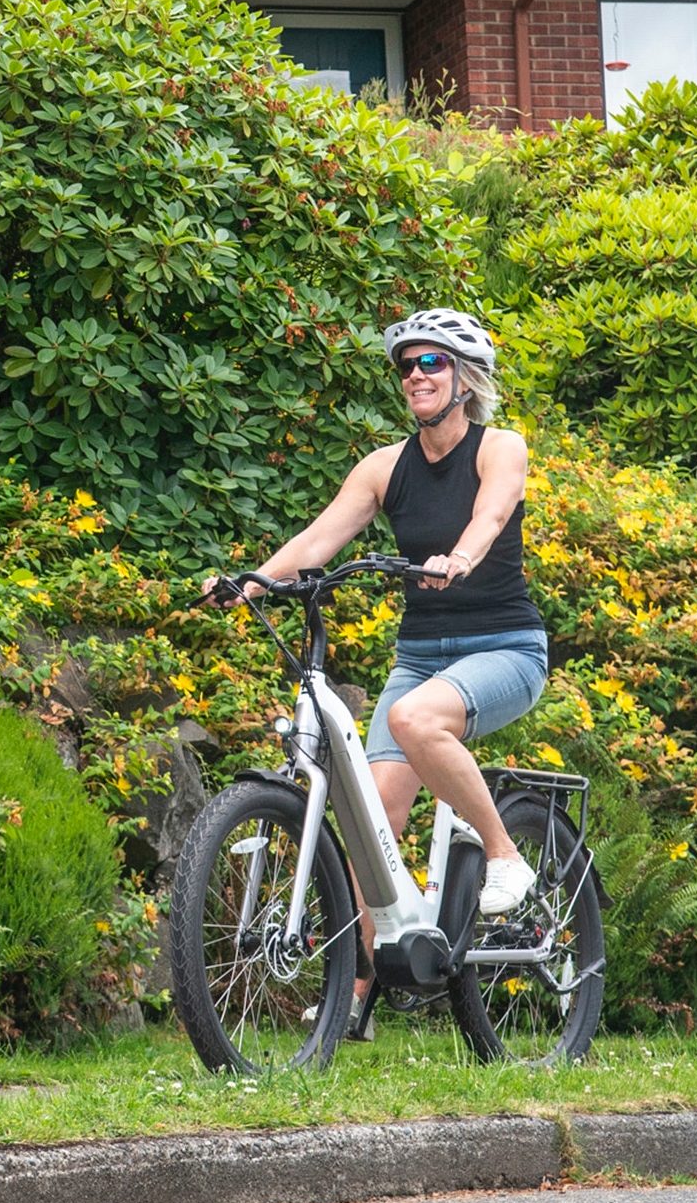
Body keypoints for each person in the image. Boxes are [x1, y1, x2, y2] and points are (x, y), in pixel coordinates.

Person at [202, 307, 552, 1031]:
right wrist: (255, 581)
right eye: (406, 366)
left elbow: (491, 514)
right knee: (372, 823)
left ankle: (504, 855)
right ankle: (357, 992)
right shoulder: (384, 466)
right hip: (422, 654)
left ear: (464, 378)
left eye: (432, 363)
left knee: (411, 718)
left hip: (506, 649)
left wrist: (460, 555)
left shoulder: (500, 447)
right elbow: (321, 536)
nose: (415, 376)